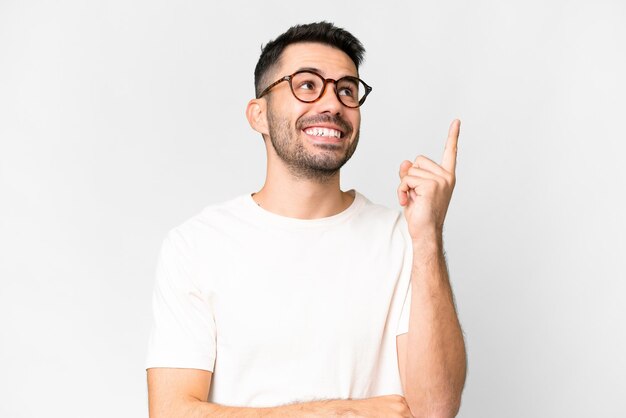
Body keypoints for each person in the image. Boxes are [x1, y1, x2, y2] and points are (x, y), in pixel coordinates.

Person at [145, 21, 467, 417]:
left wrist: (429, 235)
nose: (332, 104)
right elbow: (170, 411)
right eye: (308, 85)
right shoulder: (196, 246)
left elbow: (436, 410)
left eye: (346, 90)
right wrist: (338, 413)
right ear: (258, 114)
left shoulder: (404, 240)